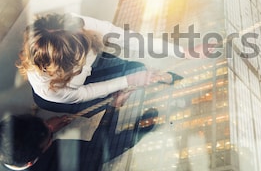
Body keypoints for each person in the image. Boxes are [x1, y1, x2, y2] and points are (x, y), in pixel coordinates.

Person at [16, 13, 207, 114]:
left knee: (134, 68)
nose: (84, 62)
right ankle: (114, 105)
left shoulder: (73, 24)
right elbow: (85, 93)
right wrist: (127, 81)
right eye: (78, 61)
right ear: (62, 68)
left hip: (78, 77)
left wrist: (181, 51)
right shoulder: (50, 89)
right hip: (69, 96)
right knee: (107, 98)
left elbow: (128, 39)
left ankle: (162, 78)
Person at [0, 99, 159, 171]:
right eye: (48, 139)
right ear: (30, 162)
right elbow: (98, 146)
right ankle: (139, 132)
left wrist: (47, 129)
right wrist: (113, 108)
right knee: (100, 152)